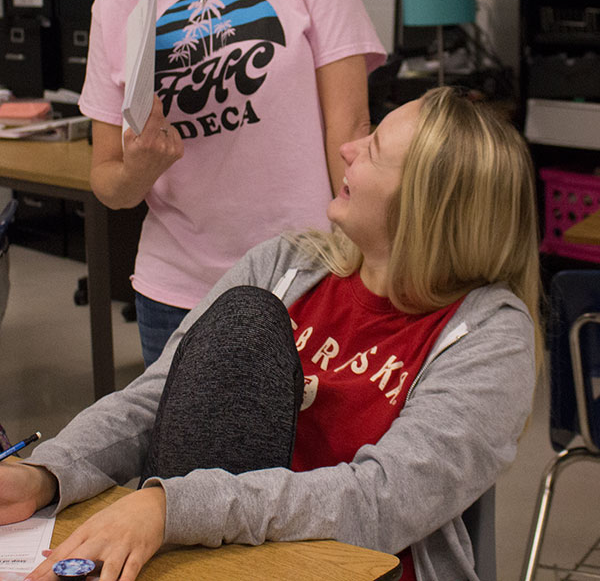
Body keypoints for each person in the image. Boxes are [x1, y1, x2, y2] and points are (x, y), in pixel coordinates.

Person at [0, 87, 542, 581]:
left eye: (373, 151)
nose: (348, 149)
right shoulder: (284, 265)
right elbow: (155, 401)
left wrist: (175, 508)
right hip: (215, 550)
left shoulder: (491, 336)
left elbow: (380, 501)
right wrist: (48, 472)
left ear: (428, 209)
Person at [79, 0, 386, 365]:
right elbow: (108, 182)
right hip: (178, 298)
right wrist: (141, 168)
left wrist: (366, 261)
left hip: (307, 277)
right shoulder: (120, 2)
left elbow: (348, 129)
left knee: (310, 460)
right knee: (184, 461)